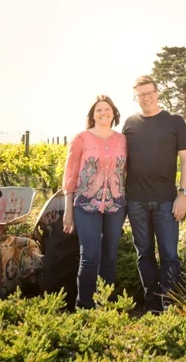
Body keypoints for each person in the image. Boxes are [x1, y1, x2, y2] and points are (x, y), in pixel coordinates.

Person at [122, 75, 186, 313]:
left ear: (157, 92)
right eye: (141, 94)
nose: (146, 98)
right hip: (135, 201)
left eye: (149, 92)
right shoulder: (130, 124)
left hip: (167, 200)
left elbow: (185, 161)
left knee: (170, 255)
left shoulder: (174, 121)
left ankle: (169, 304)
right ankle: (152, 305)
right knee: (144, 254)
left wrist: (183, 194)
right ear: (135, 97)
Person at [62, 95, 127, 309]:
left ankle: (105, 305)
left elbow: (126, 171)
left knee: (109, 257)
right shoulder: (81, 138)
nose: (103, 113)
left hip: (115, 205)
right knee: (89, 256)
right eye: (98, 110)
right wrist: (68, 210)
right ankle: (85, 306)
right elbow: (70, 175)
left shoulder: (122, 140)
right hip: (86, 205)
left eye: (107, 109)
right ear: (92, 115)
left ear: (114, 113)